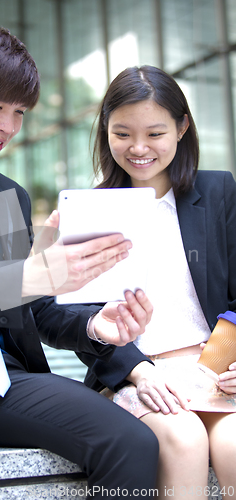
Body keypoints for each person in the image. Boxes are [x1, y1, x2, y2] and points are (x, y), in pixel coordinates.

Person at [0, 23, 159, 500]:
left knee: (132, 442)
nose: (10, 126)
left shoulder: (5, 193)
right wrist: (25, 276)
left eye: (19, 112)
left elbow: (29, 306)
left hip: (1, 374)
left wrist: (95, 328)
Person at [80, 65, 236, 499]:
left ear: (182, 127)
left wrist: (231, 361)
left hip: (213, 371)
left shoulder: (218, 191)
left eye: (155, 132)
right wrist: (138, 370)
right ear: (106, 131)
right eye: (122, 133)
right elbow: (81, 316)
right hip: (139, 374)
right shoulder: (92, 210)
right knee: (185, 439)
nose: (138, 148)